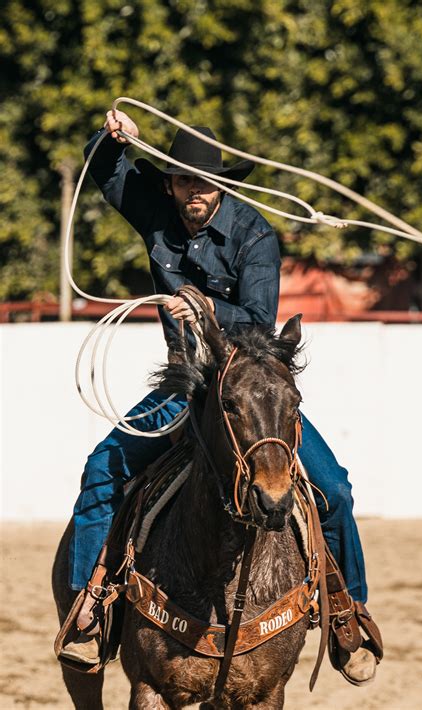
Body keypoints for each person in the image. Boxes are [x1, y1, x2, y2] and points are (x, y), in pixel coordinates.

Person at [63, 110, 378, 683]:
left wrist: (206, 308)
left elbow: (260, 324)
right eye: (184, 181)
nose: (195, 193)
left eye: (205, 182)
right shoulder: (157, 213)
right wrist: (109, 136)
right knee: (101, 471)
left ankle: (346, 612)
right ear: (171, 184)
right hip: (186, 388)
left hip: (245, 391)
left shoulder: (255, 235)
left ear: (222, 184)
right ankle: (92, 609)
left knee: (333, 488)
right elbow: (107, 175)